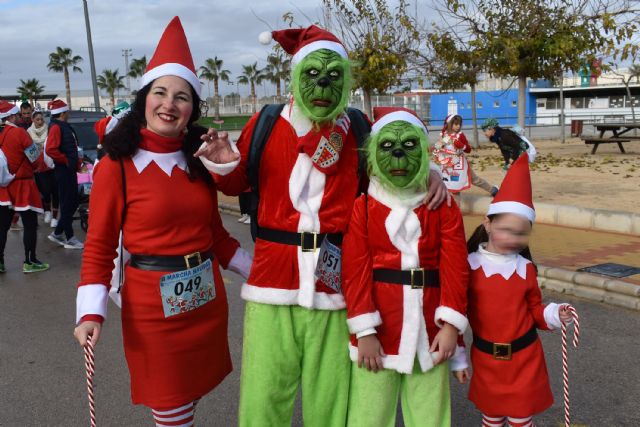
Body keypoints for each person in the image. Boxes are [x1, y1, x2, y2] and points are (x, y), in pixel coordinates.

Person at [196, 26, 449, 427]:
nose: (322, 84)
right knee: (264, 394)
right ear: (296, 77)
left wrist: (429, 171)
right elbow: (238, 181)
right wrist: (223, 161)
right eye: (312, 73)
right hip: (272, 279)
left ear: (345, 81)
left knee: (330, 397)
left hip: (336, 284)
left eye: (333, 76)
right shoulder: (265, 122)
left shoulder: (356, 128)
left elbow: (391, 161)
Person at [72, 17, 252, 427]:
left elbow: (217, 235)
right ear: (144, 100)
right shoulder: (116, 166)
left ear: (192, 110)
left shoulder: (197, 162)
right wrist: (90, 313)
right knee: (170, 407)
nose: (169, 104)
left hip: (204, 300)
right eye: (160, 93)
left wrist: (258, 271)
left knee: (188, 400)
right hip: (152, 309)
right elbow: (100, 246)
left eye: (181, 97)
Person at [342, 107, 469, 427]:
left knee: (430, 415)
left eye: (409, 145)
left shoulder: (444, 207)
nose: (398, 153)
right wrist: (364, 331)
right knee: (368, 414)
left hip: (431, 330)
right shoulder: (364, 207)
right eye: (387, 146)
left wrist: (452, 325)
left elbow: (456, 269)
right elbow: (354, 272)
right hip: (378, 332)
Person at [464, 153, 572, 426]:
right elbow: (457, 310)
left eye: (521, 233)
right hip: (487, 359)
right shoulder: (468, 265)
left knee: (521, 417)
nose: (514, 239)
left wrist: (555, 313)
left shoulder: (526, 269)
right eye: (507, 230)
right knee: (492, 416)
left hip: (525, 358)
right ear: (488, 224)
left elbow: (535, 309)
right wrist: (455, 355)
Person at [0, 101, 49, 273]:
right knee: (29, 224)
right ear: (12, 116)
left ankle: (0, 263)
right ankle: (30, 262)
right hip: (23, 185)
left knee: (2, 226)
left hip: (3, 186)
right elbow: (35, 158)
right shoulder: (19, 133)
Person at [45, 99, 83, 249]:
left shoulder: (62, 126)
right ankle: (66, 236)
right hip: (64, 170)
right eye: (67, 112)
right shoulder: (56, 128)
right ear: (63, 113)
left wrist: (75, 163)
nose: (69, 114)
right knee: (69, 203)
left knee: (70, 202)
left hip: (68, 169)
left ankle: (63, 234)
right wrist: (66, 161)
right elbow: (50, 149)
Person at [433, 114, 498, 200]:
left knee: (474, 180)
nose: (458, 126)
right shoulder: (444, 135)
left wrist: (462, 146)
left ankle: (492, 190)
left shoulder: (460, 135)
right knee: (453, 186)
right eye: (456, 124)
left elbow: (468, 149)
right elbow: (438, 147)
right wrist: (434, 148)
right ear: (450, 124)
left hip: (459, 164)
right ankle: (455, 210)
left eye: (459, 124)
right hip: (448, 165)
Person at [28, 109, 59, 227]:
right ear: (33, 120)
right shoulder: (28, 132)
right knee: (45, 190)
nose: (40, 122)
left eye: (42, 119)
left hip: (52, 163)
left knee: (55, 190)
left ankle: (55, 217)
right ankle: (47, 211)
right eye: (37, 119)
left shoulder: (50, 129)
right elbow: (28, 149)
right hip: (39, 165)